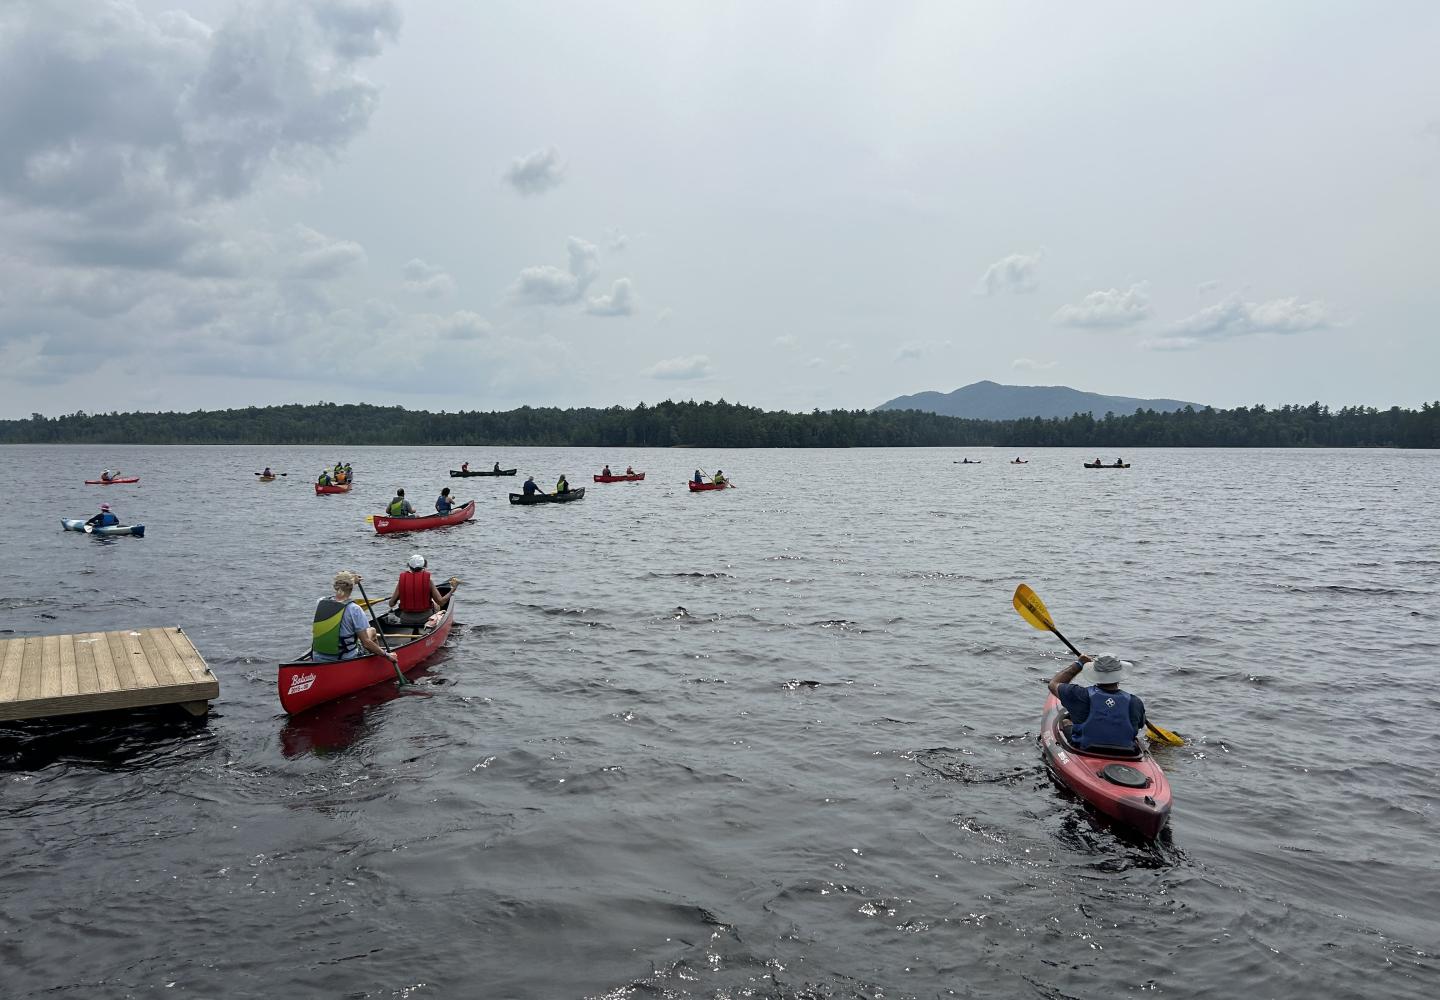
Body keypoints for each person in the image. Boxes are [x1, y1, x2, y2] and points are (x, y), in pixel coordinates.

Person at [1048, 653, 1147, 751]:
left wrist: (1079, 664)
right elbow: (1139, 725)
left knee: (1066, 721)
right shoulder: (1136, 702)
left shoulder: (1079, 695)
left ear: (1095, 673)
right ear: (1119, 675)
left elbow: (1054, 684)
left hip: (1086, 748)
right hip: (1126, 751)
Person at [312, 570, 397, 665]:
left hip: (318, 656)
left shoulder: (320, 602)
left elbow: (341, 592)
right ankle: (378, 663)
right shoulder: (354, 609)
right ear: (351, 588)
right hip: (344, 658)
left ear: (335, 586)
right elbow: (366, 643)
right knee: (372, 631)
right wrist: (387, 655)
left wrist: (350, 580)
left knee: (364, 633)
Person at [384, 553, 454, 627]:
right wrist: (453, 589)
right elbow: (441, 602)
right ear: (424, 566)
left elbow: (391, 604)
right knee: (436, 604)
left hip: (406, 620)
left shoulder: (402, 581)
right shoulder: (429, 581)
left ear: (409, 566)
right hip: (425, 619)